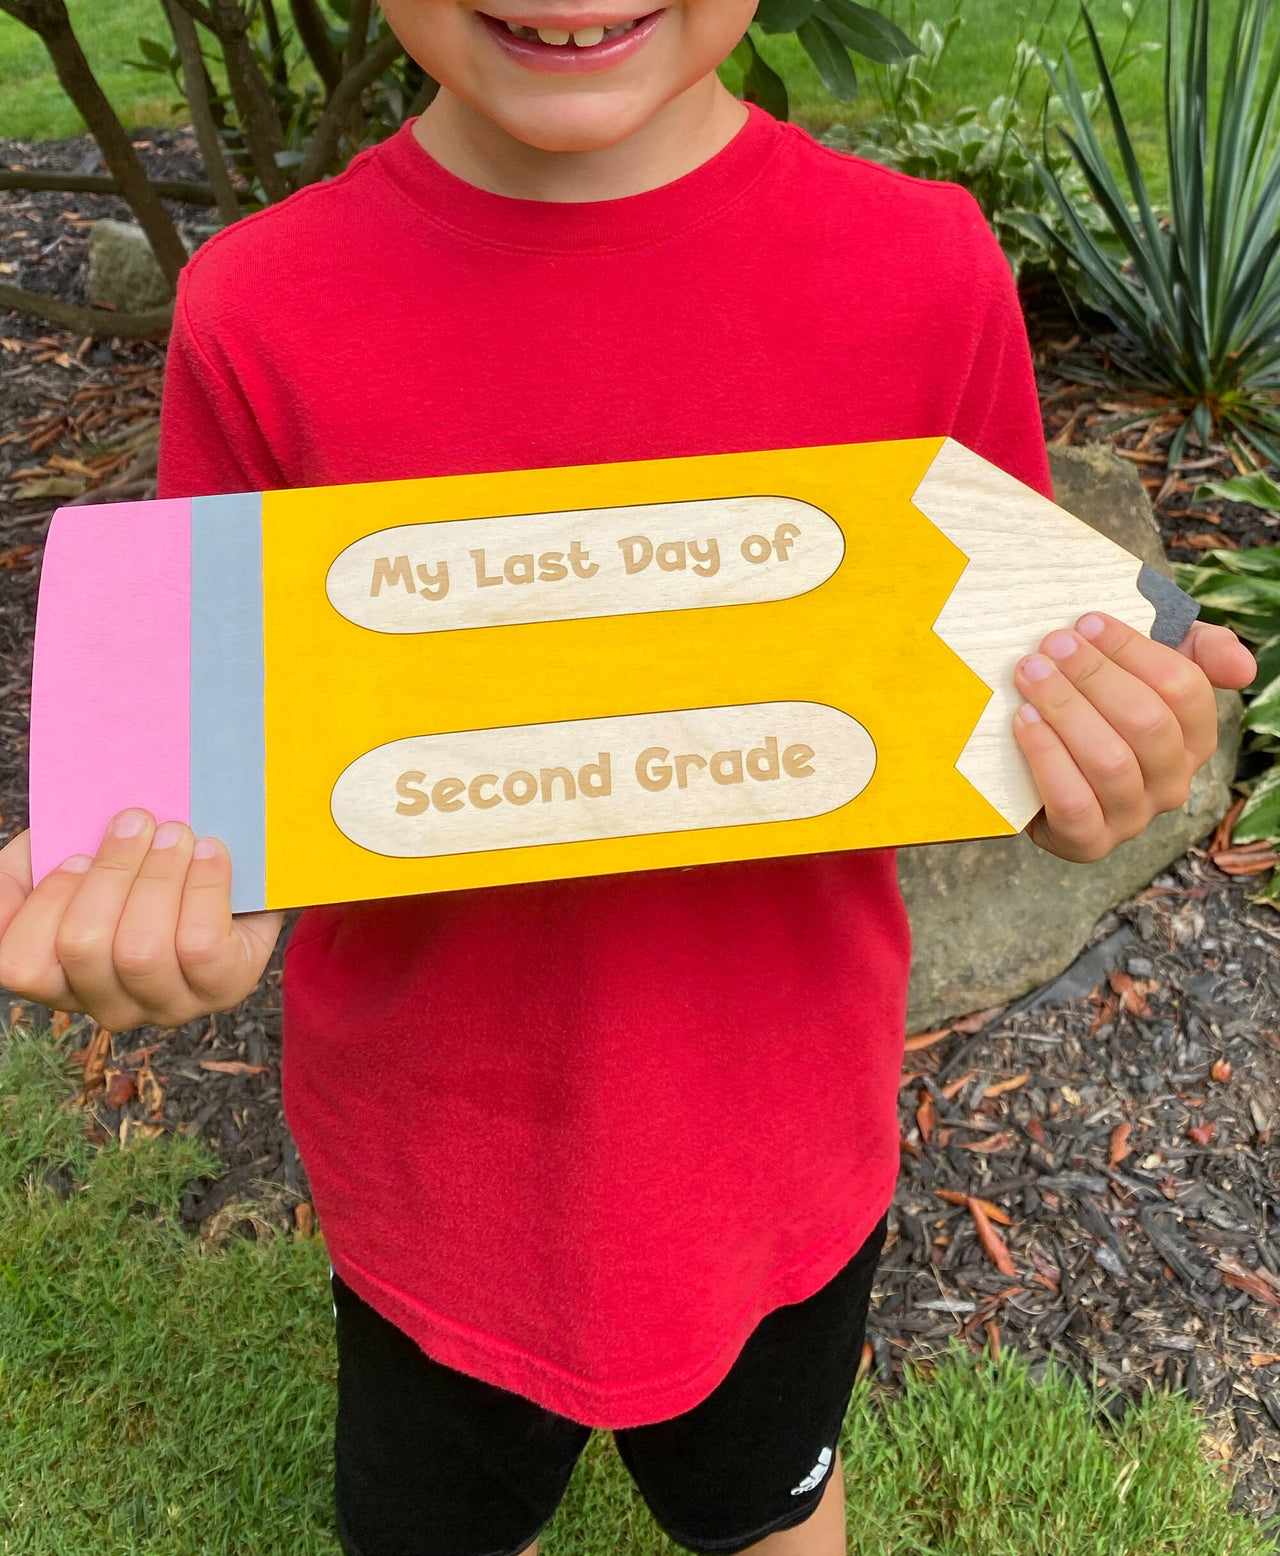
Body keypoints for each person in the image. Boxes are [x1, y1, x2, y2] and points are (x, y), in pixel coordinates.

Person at [0, 6, 1256, 1554]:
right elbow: (221, 786)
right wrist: (180, 910)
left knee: (769, 1508)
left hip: (781, 1158)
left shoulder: (923, 270)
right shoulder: (261, 308)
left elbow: (1002, 713)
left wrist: (1101, 769)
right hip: (431, 1172)